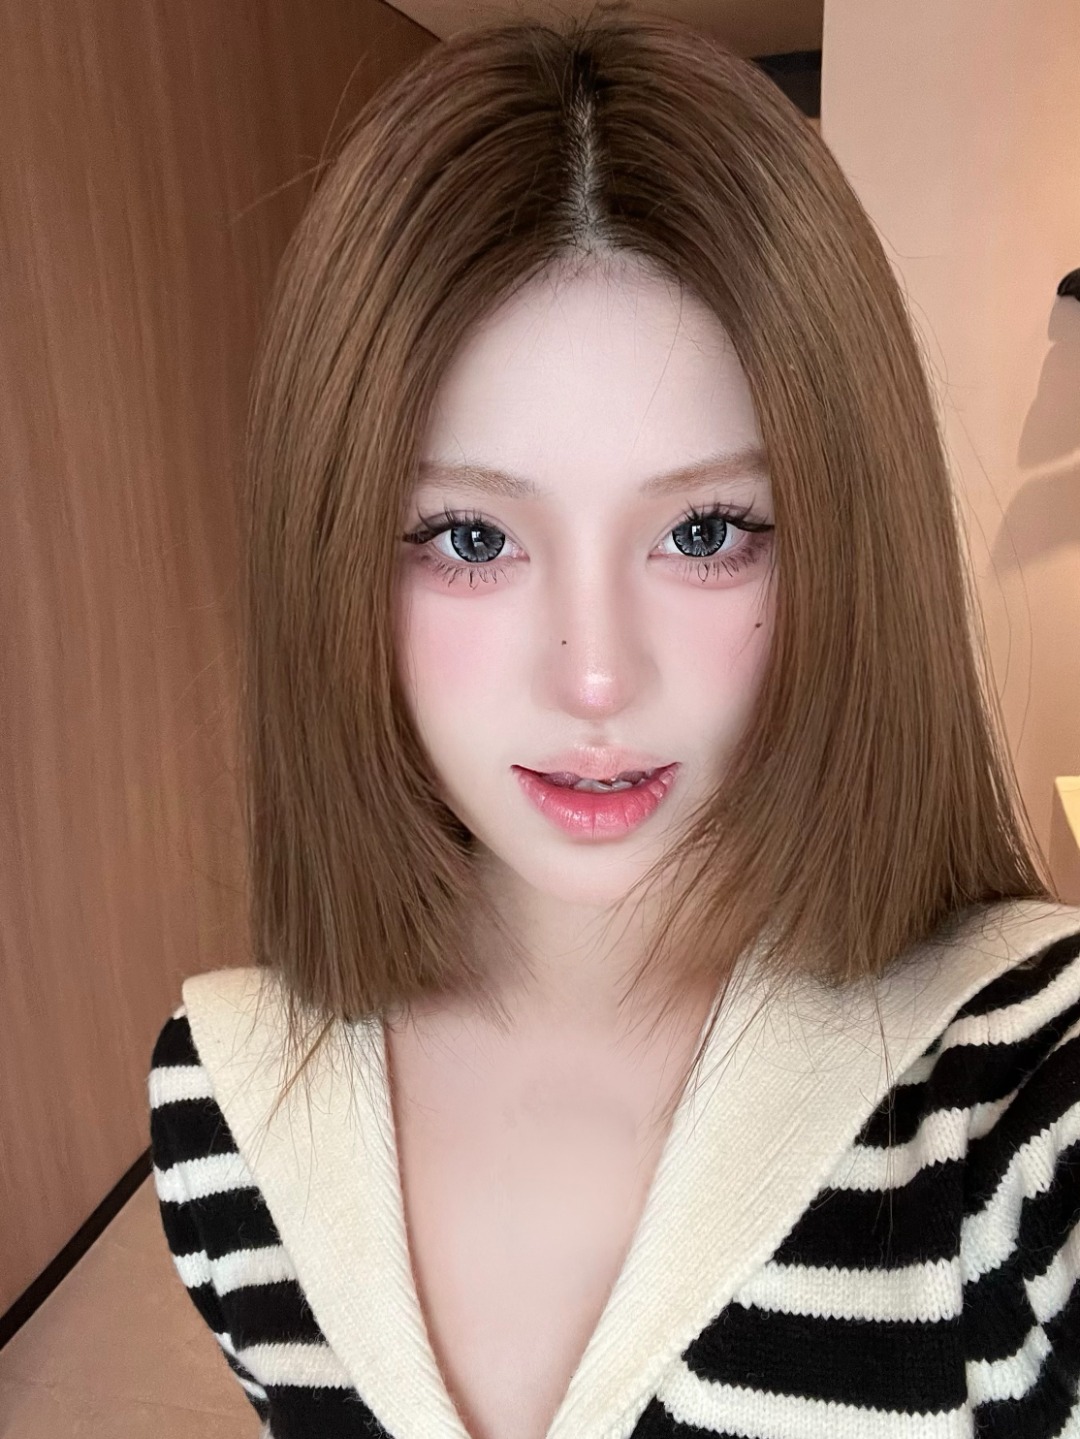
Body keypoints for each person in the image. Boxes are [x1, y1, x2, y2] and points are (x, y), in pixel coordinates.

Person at [147, 10, 1080, 1438]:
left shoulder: (1014, 1085)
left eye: (705, 531)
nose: (595, 679)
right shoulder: (227, 1106)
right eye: (469, 537)